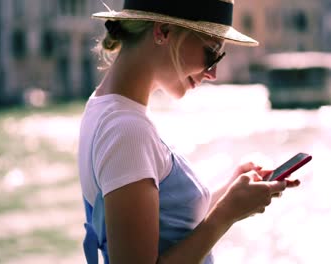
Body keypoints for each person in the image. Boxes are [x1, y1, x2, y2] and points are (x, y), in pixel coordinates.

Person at [77, 0, 301, 263]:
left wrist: (232, 194)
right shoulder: (126, 129)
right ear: (163, 32)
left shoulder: (106, 108)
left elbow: (167, 224)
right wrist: (226, 214)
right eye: (212, 53)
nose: (213, 73)